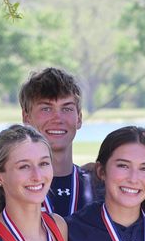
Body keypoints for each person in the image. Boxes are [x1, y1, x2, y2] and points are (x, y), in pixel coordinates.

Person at [19, 67, 96, 217]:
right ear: (26, 117)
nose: (58, 118)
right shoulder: (12, 188)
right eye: (46, 109)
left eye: (66, 109)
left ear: (79, 118)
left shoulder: (98, 186)